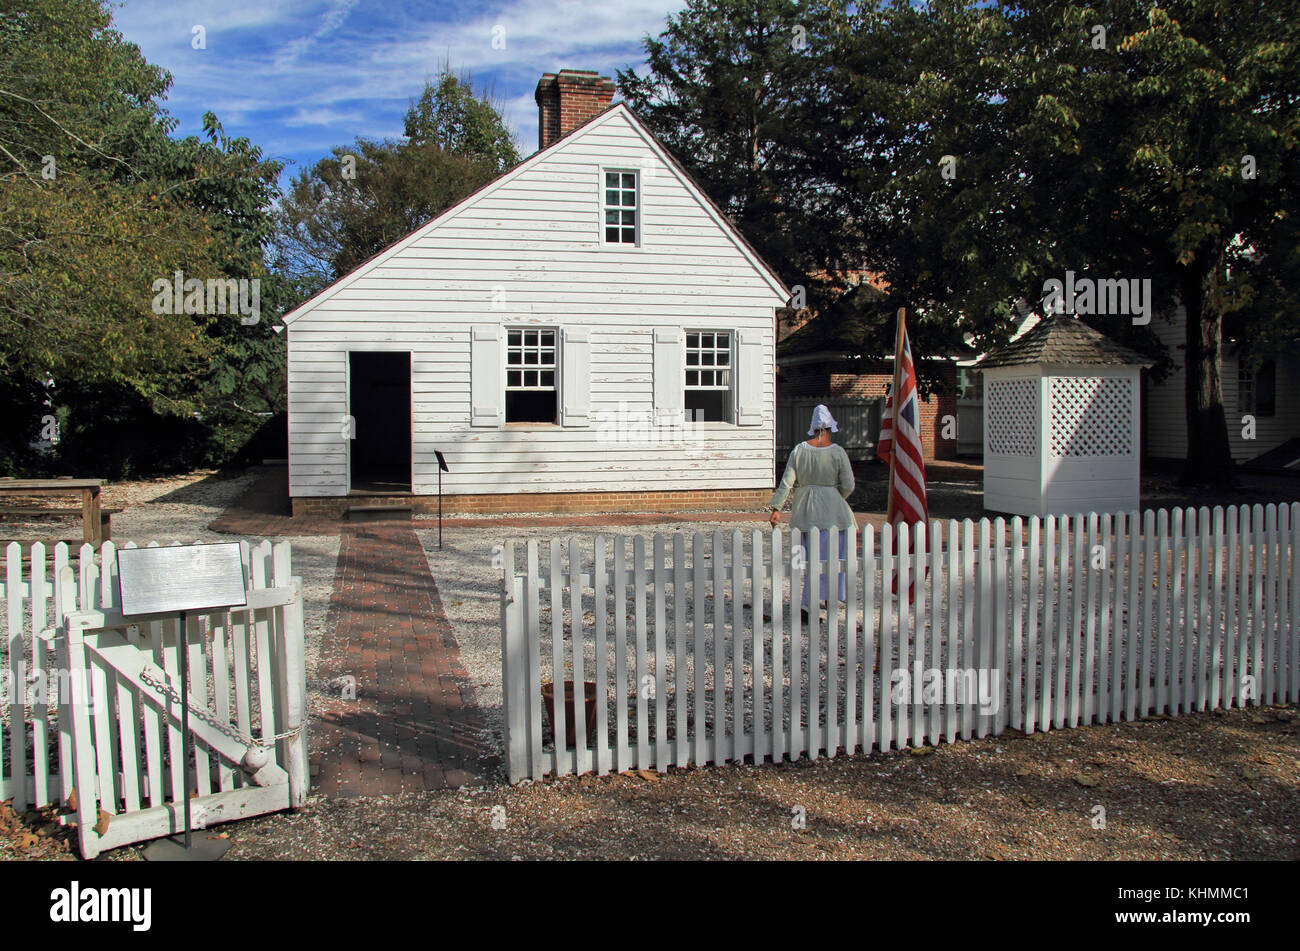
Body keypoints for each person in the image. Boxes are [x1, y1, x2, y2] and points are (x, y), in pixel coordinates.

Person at [768, 404, 856, 619]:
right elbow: (849, 484)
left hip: (805, 509)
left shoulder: (799, 450)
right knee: (833, 557)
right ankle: (830, 597)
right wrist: (835, 497)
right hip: (834, 511)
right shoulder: (837, 452)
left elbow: (787, 482)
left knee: (807, 558)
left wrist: (776, 507)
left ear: (813, 428)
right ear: (830, 428)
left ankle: (808, 602)